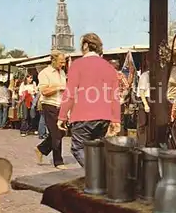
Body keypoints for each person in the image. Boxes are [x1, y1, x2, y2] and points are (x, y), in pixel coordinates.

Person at [57, 33, 121, 166]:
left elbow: (70, 93)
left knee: (78, 148)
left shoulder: (77, 64)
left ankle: (96, 177)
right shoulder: (110, 68)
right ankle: (98, 180)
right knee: (97, 150)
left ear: (85, 45)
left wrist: (62, 116)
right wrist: (116, 120)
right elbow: (115, 96)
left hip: (82, 116)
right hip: (104, 117)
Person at [35, 51, 68, 169]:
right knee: (56, 133)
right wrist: (59, 87)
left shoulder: (62, 72)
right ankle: (58, 161)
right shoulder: (45, 73)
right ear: (53, 60)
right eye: (61, 62)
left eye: (64, 62)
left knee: (62, 132)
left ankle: (41, 149)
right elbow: (44, 91)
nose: (63, 64)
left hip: (61, 105)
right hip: (49, 105)